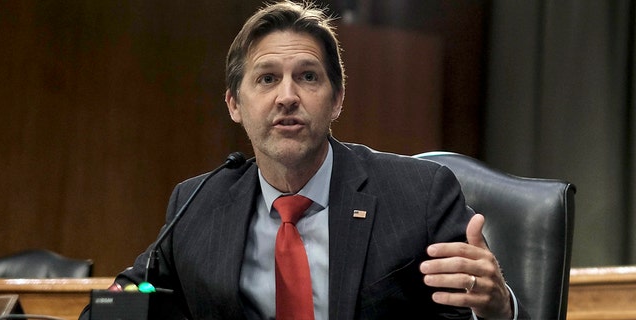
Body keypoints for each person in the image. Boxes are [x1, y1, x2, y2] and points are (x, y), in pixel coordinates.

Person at [80, 1, 529, 319]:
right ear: (235, 104)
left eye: (308, 77)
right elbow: (130, 295)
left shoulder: (420, 195)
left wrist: (498, 308)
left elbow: (470, 306)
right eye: (267, 78)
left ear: (337, 100)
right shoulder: (197, 203)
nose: (288, 96)